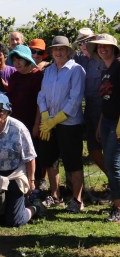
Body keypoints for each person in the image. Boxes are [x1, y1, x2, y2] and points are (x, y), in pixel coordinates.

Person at [37, 36, 86, 213]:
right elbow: (42, 95)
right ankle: (55, 196)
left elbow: (75, 100)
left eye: (62, 49)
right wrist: (45, 117)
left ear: (68, 51)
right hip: (50, 123)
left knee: (73, 162)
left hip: (70, 124)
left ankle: (77, 199)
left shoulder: (76, 70)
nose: (58, 52)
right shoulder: (49, 71)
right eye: (55, 49)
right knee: (50, 161)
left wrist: (55, 120)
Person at [0, 94, 45, 227]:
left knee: (15, 221)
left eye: (0, 109)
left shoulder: (18, 128)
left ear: (7, 110)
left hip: (15, 176)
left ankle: (35, 208)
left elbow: (30, 157)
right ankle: (11, 206)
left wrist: (31, 182)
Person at [87, 34, 120, 222]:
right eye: (99, 47)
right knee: (110, 163)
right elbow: (105, 101)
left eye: (106, 46)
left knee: (113, 164)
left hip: (117, 123)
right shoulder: (104, 71)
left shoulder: (119, 66)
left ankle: (118, 208)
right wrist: (100, 124)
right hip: (107, 121)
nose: (102, 49)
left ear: (114, 48)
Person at [6, 45, 46, 189]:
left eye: (20, 60)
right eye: (15, 60)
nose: (17, 63)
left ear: (27, 60)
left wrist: (37, 123)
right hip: (17, 121)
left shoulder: (38, 76)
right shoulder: (14, 76)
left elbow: (40, 103)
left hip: (31, 120)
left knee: (34, 150)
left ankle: (37, 181)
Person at [74, 28, 106, 173]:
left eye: (87, 40)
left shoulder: (103, 59)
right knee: (93, 149)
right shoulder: (79, 59)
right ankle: (113, 180)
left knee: (111, 150)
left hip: (105, 108)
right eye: (81, 42)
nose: (84, 44)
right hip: (90, 110)